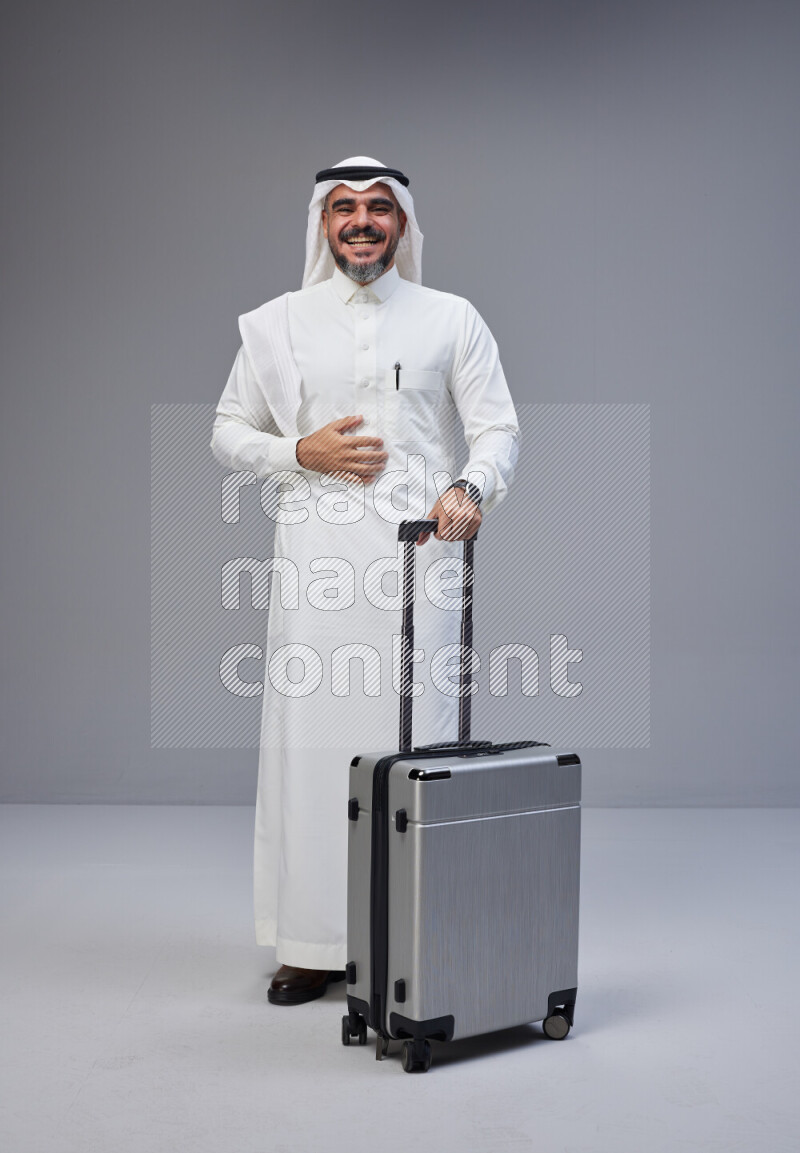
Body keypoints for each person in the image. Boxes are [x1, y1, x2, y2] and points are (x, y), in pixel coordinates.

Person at [210, 156, 520, 1005]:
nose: (360, 221)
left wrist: (471, 486)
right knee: (315, 752)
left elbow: (497, 429)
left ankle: (416, 929)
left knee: (417, 749)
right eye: (343, 208)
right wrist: (296, 451)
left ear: (403, 223)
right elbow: (227, 429)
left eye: (378, 208)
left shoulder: (451, 319)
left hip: (422, 565)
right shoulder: (278, 324)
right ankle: (313, 944)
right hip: (315, 565)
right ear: (321, 223)